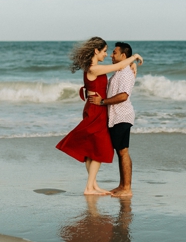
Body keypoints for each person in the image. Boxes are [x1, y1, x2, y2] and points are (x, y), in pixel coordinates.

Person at [56, 37, 143, 196]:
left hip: (101, 110)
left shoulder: (96, 68)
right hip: (97, 110)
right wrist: (134, 57)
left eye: (111, 52)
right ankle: (90, 187)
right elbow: (117, 66)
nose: (107, 54)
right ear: (96, 51)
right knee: (97, 148)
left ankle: (94, 185)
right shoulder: (94, 68)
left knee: (95, 148)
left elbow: (117, 76)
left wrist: (131, 66)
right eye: (104, 51)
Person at [89, 42, 138, 198]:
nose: (111, 55)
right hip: (115, 117)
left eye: (114, 53)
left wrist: (102, 102)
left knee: (123, 152)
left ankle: (127, 188)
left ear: (123, 56)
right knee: (120, 152)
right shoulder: (119, 72)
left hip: (122, 116)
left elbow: (123, 96)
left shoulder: (125, 74)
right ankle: (122, 185)